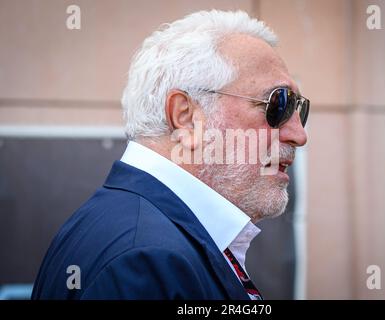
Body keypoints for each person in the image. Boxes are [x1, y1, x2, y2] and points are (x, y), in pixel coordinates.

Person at [31, 9, 308, 300]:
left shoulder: (144, 235)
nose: (299, 135)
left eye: (300, 109)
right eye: (279, 103)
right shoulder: (143, 259)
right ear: (186, 118)